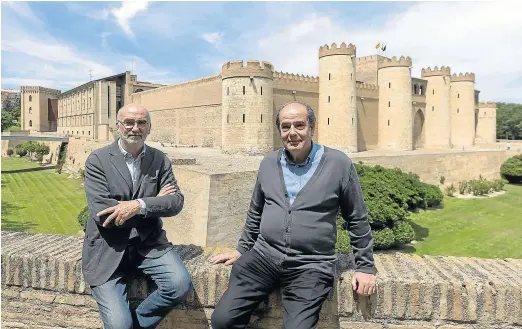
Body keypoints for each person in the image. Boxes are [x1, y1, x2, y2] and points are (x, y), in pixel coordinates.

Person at [210, 101, 377, 329]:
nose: (292, 133)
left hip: (311, 265)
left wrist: (365, 267)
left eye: (299, 125)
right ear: (279, 130)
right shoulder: (268, 163)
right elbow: (256, 211)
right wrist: (242, 249)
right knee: (222, 321)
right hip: (263, 258)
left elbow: (356, 218)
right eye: (285, 126)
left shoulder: (338, 164)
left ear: (312, 128)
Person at [82, 103, 192, 329]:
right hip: (107, 249)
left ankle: (138, 324)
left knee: (179, 284)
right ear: (118, 126)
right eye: (129, 123)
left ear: (149, 127)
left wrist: (138, 205)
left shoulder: (159, 159)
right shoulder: (98, 160)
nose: (135, 128)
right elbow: (104, 216)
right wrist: (154, 204)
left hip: (148, 244)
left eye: (141, 123)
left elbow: (176, 202)